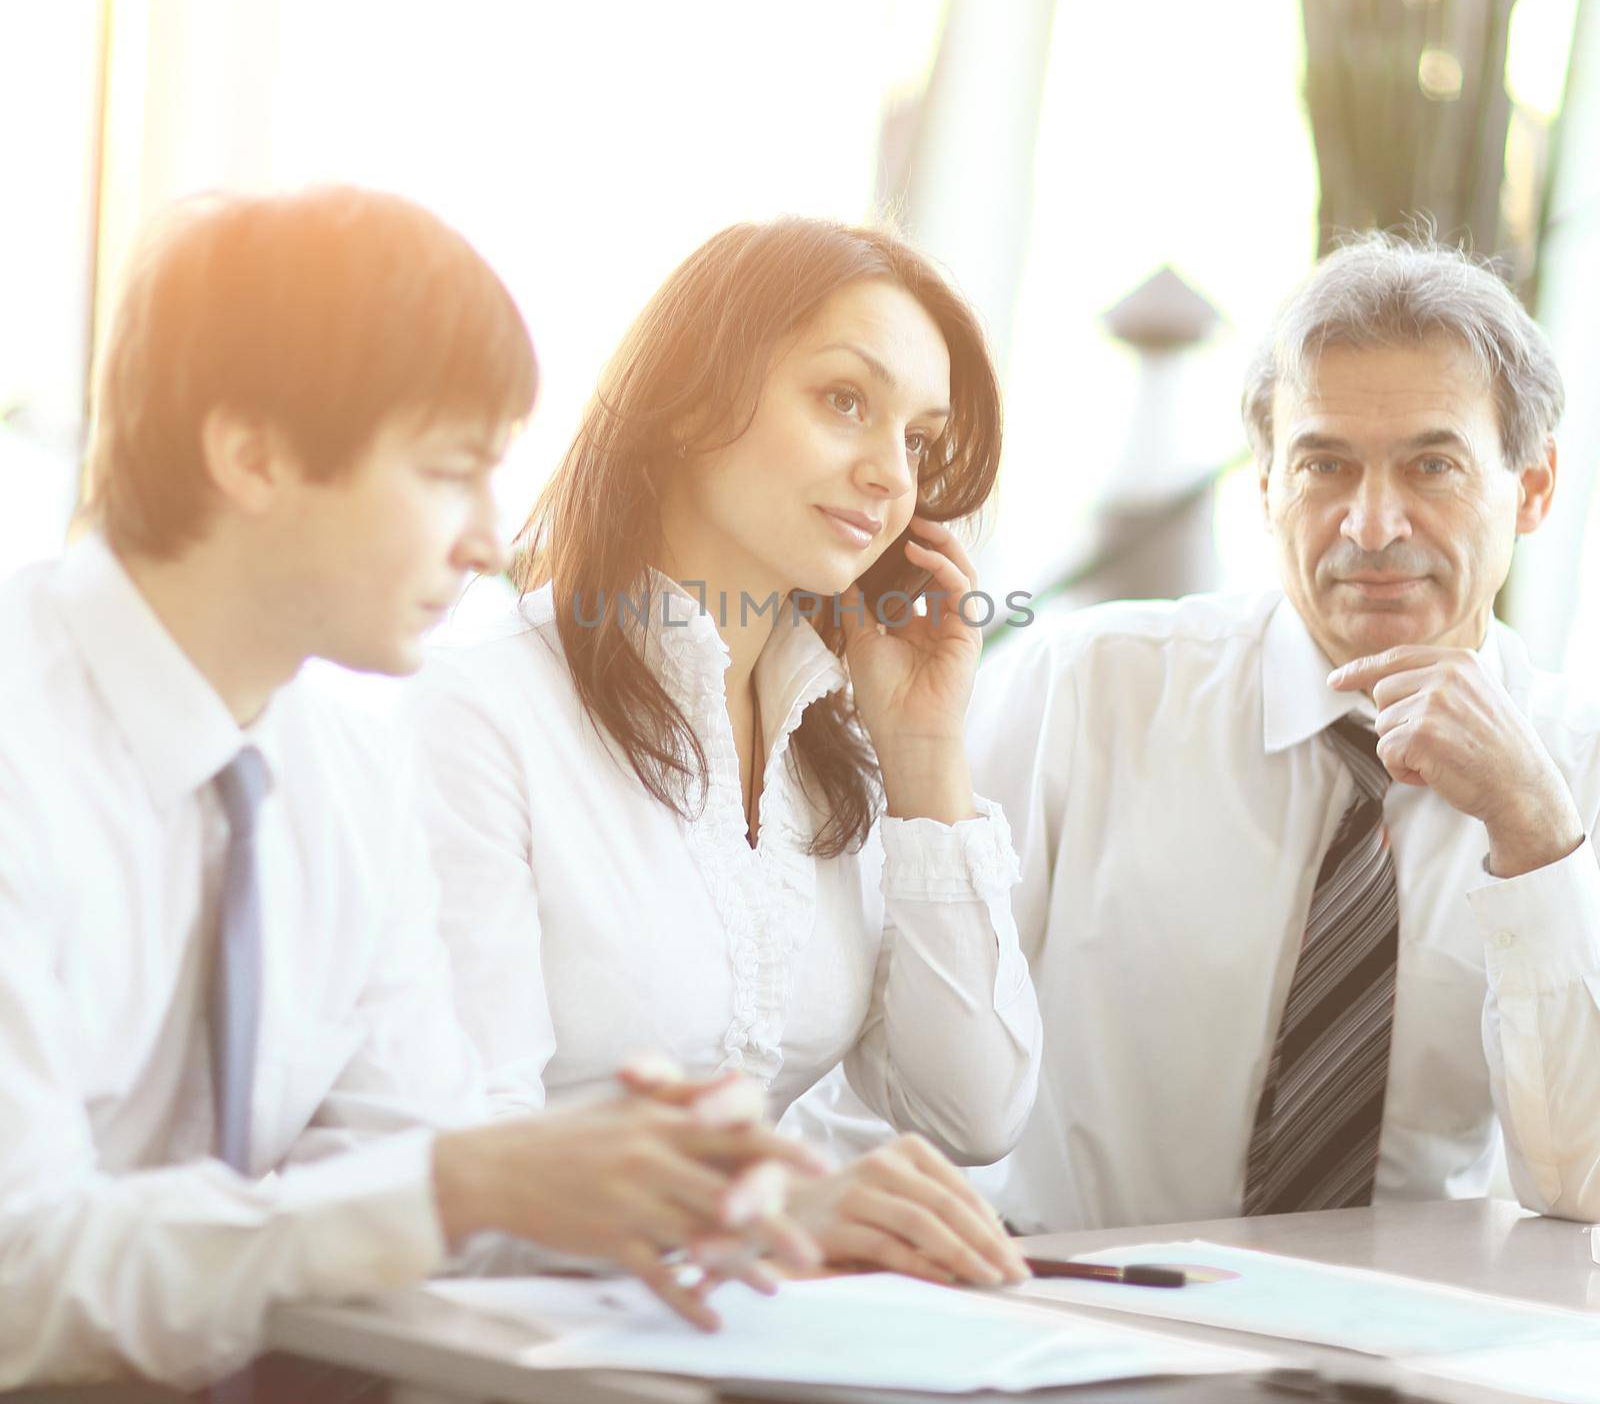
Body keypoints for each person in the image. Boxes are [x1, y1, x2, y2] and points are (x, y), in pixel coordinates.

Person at [0, 188, 821, 1396]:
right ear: (254, 453)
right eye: (449, 473)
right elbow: (19, 1277)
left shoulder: (346, 767)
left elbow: (400, 1186)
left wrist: (622, 1175)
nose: (490, 541)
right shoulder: (24, 750)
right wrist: (456, 1184)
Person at [408, 217, 1040, 1289]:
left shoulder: (837, 749)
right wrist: (767, 1209)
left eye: (919, 441)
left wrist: (926, 756)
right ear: (693, 399)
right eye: (846, 401)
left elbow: (973, 1114)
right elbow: (458, 1169)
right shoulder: (480, 709)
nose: (891, 475)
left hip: (759, 1340)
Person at [959, 231, 1600, 1232]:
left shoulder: (1578, 768)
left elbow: (1583, 1182)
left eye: (1431, 464)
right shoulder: (1080, 691)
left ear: (1534, 489)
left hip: (1407, 1361)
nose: (1371, 524)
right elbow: (894, 1078)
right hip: (1079, 1325)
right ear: (1264, 486)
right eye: (1323, 465)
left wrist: (1531, 830)